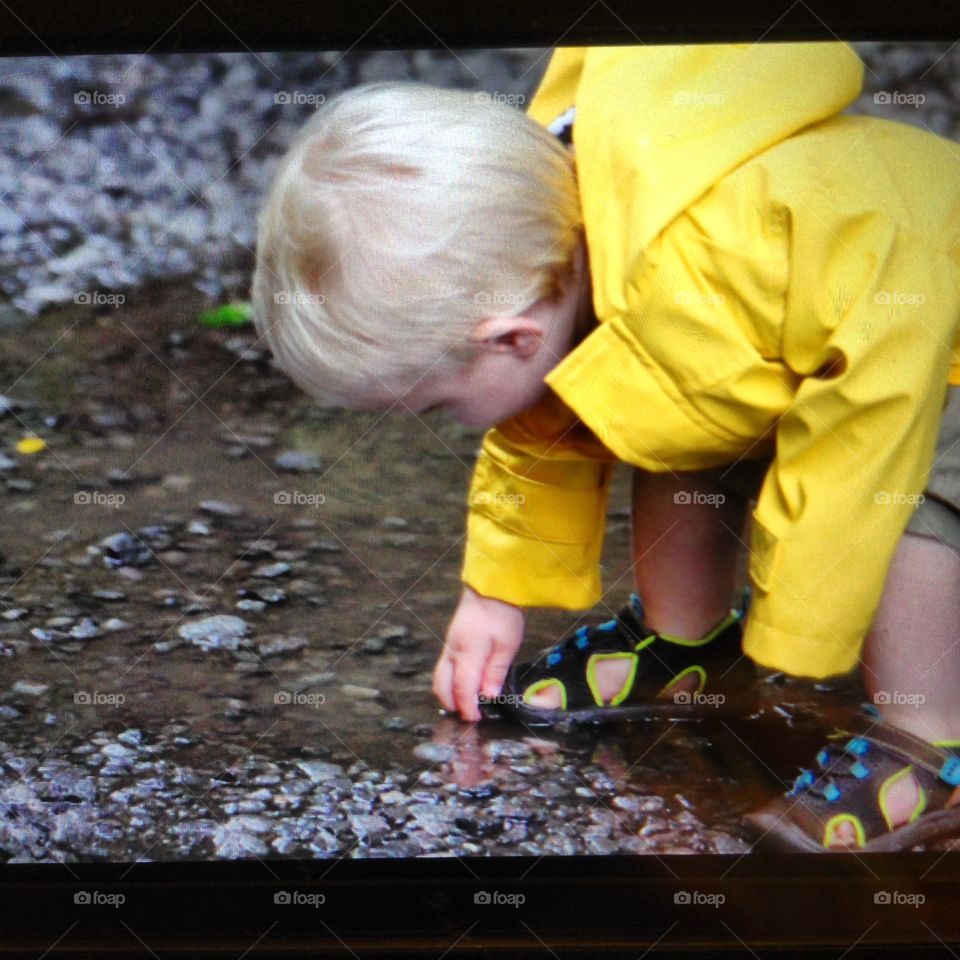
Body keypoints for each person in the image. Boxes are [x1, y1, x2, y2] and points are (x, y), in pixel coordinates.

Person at [251, 42, 960, 851]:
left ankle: (927, 742)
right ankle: (686, 644)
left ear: (511, 336)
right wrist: (494, 592)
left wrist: (799, 633)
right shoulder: (563, 237)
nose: (455, 425)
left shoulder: (718, 259)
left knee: (910, 514)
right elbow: (555, 420)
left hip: (927, 350)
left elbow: (866, 435)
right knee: (658, 418)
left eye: (440, 406)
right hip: (800, 342)